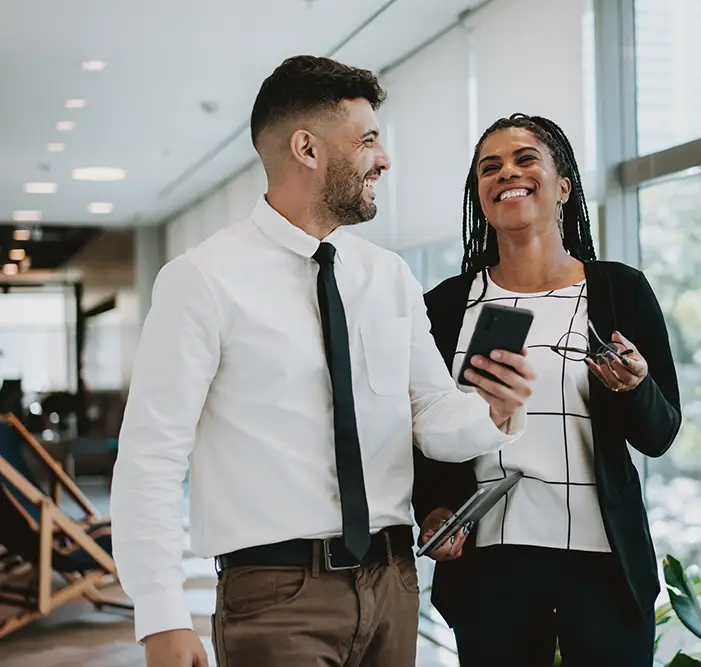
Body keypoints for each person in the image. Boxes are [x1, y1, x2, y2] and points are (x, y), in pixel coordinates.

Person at [110, 57, 536, 667]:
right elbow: (151, 456)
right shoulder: (200, 280)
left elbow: (430, 415)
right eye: (367, 141)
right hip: (276, 598)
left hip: (394, 585)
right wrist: (160, 616)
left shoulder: (388, 276)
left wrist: (489, 410)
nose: (383, 160)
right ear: (306, 148)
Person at [412, 113, 682, 666]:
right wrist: (435, 511)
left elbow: (660, 433)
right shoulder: (445, 305)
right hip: (492, 562)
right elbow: (422, 426)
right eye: (489, 168)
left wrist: (635, 387)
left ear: (562, 187)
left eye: (524, 158)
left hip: (603, 564)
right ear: (481, 197)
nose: (505, 172)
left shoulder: (619, 290)